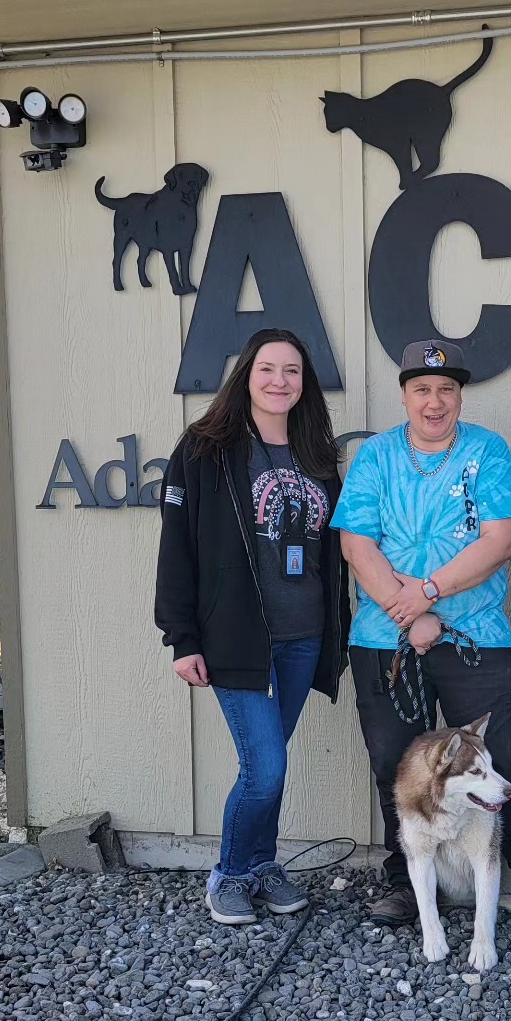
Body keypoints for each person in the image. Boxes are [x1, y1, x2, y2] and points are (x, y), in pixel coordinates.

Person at [332, 338, 511, 946]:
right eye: (422, 389)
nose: (434, 401)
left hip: (474, 638)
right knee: (399, 768)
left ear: (459, 395)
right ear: (404, 395)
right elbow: (355, 545)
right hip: (384, 641)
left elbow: (501, 540)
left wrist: (426, 593)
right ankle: (403, 877)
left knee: (501, 764)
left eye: (446, 389)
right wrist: (406, 614)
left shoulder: (487, 452)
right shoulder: (375, 458)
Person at [155, 328, 350, 927]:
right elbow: (177, 550)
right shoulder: (205, 449)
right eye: (268, 368)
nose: (279, 381)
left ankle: (262, 863)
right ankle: (231, 874)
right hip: (239, 640)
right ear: (246, 374)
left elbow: (335, 547)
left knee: (273, 762)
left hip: (303, 636)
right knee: (264, 768)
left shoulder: (316, 453)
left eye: (292, 371)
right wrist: (181, 637)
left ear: (304, 383)